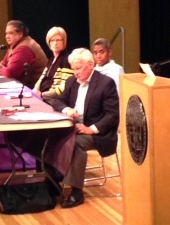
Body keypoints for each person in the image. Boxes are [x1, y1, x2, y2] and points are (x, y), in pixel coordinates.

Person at [51, 48, 119, 208]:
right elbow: (58, 101)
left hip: (99, 134)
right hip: (74, 128)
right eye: (73, 69)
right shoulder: (71, 82)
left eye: (78, 68)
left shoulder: (105, 83)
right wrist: (67, 110)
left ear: (90, 64)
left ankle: (76, 192)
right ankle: (52, 181)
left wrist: (92, 129)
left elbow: (113, 115)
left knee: (75, 143)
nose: (75, 73)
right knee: (50, 137)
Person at [0, 20, 47, 89]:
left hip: (35, 89)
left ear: (20, 34)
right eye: (6, 33)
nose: (7, 36)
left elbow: (10, 73)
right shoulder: (16, 44)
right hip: (25, 86)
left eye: (11, 33)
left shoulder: (24, 48)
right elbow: (5, 61)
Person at [33, 26, 73, 105]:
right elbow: (42, 78)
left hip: (52, 100)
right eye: (52, 40)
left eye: (58, 40)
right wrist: (35, 90)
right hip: (42, 97)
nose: (55, 43)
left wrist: (42, 95)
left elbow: (64, 86)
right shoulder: (51, 60)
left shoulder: (66, 60)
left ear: (64, 41)